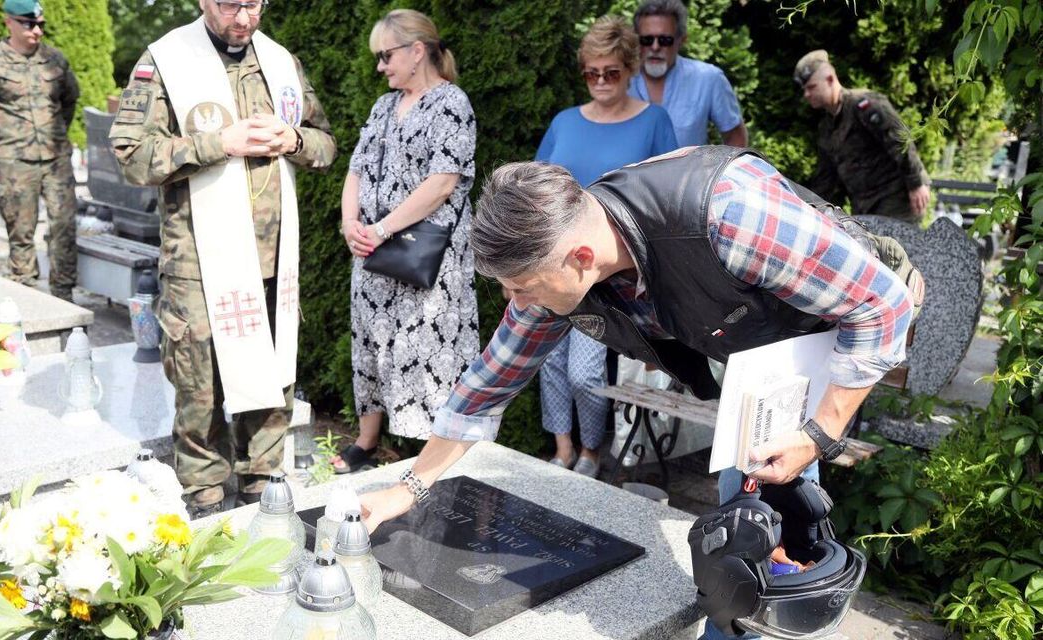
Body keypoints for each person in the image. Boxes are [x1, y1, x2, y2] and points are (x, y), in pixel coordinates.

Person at [359, 148, 921, 567]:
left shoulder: (728, 214)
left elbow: (882, 306)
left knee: (749, 538)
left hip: (842, 317)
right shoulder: (556, 264)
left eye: (522, 287)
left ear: (579, 258)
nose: (517, 304)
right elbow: (487, 385)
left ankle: (777, 600)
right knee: (751, 536)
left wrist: (817, 434)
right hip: (756, 346)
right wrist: (407, 489)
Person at [109, 0, 336, 518]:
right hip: (197, 257)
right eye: (231, 4)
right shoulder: (166, 59)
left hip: (272, 251)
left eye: (254, 4)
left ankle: (263, 482)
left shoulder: (280, 62)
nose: (244, 17)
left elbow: (325, 144)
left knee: (270, 371)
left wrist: (294, 139)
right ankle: (206, 493)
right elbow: (130, 155)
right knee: (199, 378)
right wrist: (218, 143)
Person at [333, 9, 480, 474]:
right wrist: (349, 222)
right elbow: (356, 167)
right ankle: (368, 439)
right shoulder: (382, 106)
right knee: (372, 343)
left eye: (386, 55)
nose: (380, 66)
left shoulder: (452, 103)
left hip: (429, 258)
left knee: (428, 350)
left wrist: (380, 229)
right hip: (373, 250)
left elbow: (441, 183)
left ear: (417, 52)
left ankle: (431, 456)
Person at [533, 15, 677, 478]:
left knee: (585, 370)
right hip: (551, 261)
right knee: (549, 362)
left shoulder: (654, 120)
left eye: (610, 72)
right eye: (590, 72)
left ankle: (593, 451)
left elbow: (669, 198)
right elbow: (534, 190)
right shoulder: (564, 121)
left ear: (630, 68)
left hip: (610, 269)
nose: (599, 81)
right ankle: (562, 449)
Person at [0, 0, 80, 300]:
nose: (36, 30)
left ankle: (63, 297)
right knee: (21, 231)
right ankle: (27, 296)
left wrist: (54, 135)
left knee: (64, 228)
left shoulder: (55, 60)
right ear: (9, 23)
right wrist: (7, 136)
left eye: (41, 24)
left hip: (55, 159)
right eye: (29, 24)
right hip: (15, 161)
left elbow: (69, 101)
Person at [795, 49, 931, 222]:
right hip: (864, 207)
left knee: (895, 248)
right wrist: (812, 212)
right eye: (804, 89)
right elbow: (826, 179)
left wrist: (916, 183)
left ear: (830, 79)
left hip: (896, 199)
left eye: (811, 87)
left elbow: (900, 141)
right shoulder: (827, 128)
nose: (807, 94)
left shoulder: (864, 105)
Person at [629, 0, 747, 148]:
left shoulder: (708, 79)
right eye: (647, 40)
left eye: (665, 40)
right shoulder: (619, 79)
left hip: (689, 172)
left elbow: (736, 138)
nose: (655, 47)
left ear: (681, 40)